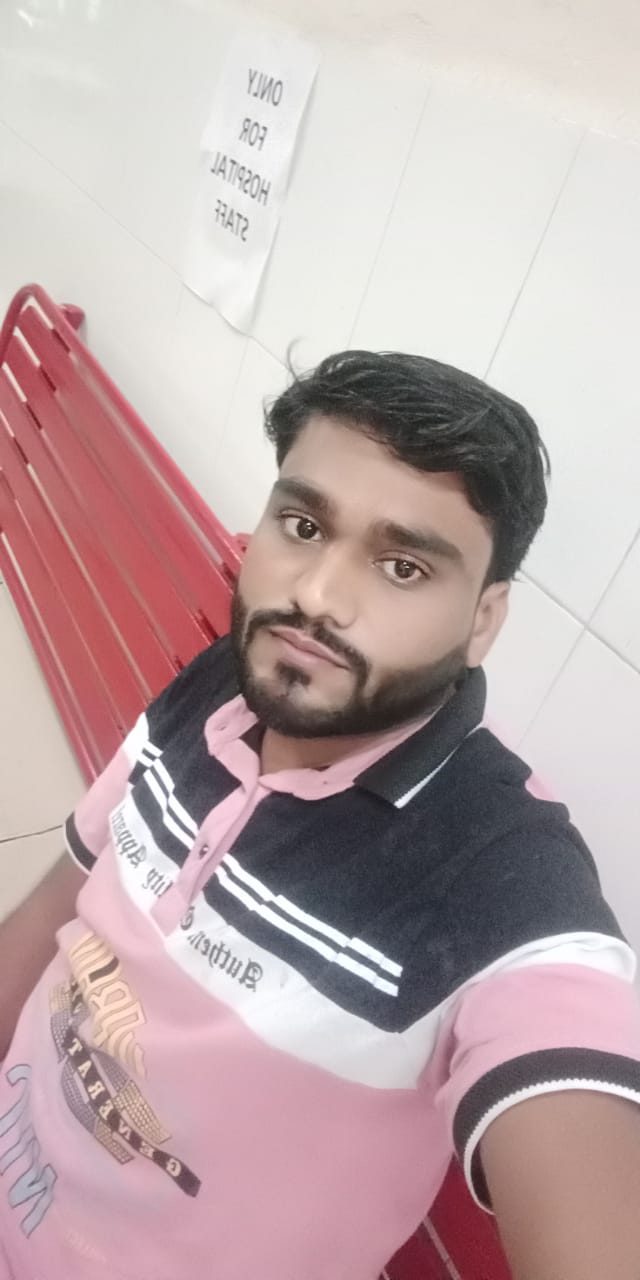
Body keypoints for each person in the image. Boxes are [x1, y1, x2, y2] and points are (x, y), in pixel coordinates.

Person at [0, 351, 639, 1280]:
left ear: (483, 619)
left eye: (403, 566)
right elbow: (61, 899)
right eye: (303, 526)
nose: (316, 597)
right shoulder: (225, 684)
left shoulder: (501, 883)